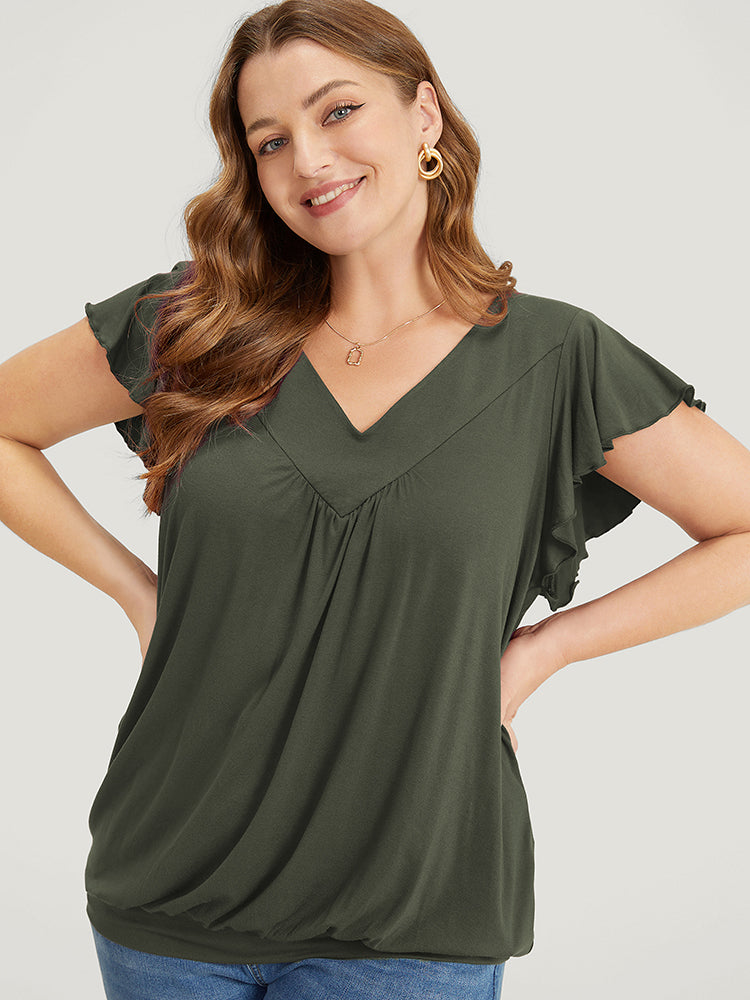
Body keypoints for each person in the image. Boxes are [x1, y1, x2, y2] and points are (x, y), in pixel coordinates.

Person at [0, 0, 748, 997]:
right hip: (167, 901)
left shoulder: (556, 357)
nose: (308, 159)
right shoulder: (194, 323)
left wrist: (545, 648)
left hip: (412, 915)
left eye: (338, 110)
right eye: (271, 140)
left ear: (423, 116)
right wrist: (139, 595)